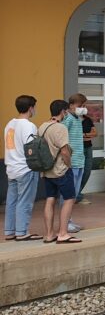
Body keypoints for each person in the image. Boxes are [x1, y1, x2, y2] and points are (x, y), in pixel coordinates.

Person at [39, 99, 80, 243]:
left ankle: (49, 234)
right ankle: (63, 233)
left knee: (50, 200)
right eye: (66, 112)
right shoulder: (61, 128)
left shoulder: (42, 126)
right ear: (63, 112)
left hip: (46, 171)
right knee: (69, 199)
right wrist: (69, 165)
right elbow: (64, 152)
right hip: (61, 170)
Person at [4, 95, 41, 242]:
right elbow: (31, 149)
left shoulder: (9, 124)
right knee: (25, 201)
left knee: (12, 201)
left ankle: (10, 231)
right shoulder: (28, 125)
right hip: (26, 168)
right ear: (30, 108)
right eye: (35, 107)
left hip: (11, 168)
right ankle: (22, 232)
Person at [61, 93, 87, 232]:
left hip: (79, 161)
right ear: (71, 105)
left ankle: (69, 220)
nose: (82, 108)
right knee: (68, 195)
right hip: (72, 163)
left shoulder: (78, 119)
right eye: (80, 106)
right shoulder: (68, 119)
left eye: (83, 106)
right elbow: (61, 136)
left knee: (74, 194)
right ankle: (65, 223)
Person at [76, 107, 97, 205]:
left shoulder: (88, 120)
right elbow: (76, 135)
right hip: (79, 149)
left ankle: (77, 192)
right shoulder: (73, 120)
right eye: (81, 105)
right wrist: (87, 136)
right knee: (79, 171)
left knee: (87, 171)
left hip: (88, 148)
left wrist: (84, 135)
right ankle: (77, 195)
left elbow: (95, 133)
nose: (84, 108)